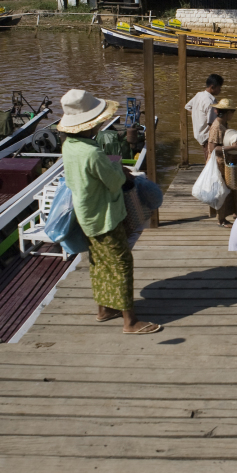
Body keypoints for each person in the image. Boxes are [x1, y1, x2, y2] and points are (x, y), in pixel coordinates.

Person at [59, 88, 161, 335]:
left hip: (87, 214)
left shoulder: (70, 146)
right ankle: (130, 321)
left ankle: (104, 309)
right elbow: (115, 182)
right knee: (121, 263)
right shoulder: (92, 152)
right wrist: (121, 172)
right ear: (89, 123)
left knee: (99, 263)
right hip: (104, 216)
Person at [207, 98, 237, 227]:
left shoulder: (223, 124)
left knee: (231, 187)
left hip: (225, 161)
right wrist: (232, 148)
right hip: (218, 163)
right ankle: (221, 219)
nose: (233, 114)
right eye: (232, 112)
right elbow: (212, 148)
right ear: (227, 113)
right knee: (222, 191)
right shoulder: (216, 126)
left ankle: (235, 211)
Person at [185, 74, 223, 156]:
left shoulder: (199, 94)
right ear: (212, 87)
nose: (220, 90)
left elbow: (188, 106)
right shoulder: (210, 102)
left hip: (199, 133)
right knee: (210, 158)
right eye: (219, 87)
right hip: (207, 135)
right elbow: (211, 124)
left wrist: (197, 115)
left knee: (208, 155)